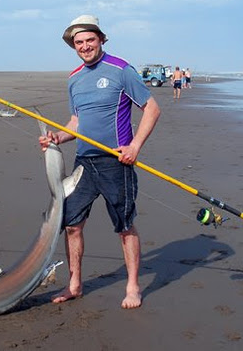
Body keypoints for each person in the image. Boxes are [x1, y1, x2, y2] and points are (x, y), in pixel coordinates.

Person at [39, 15, 160, 309]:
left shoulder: (121, 70)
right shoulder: (74, 78)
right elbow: (77, 121)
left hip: (116, 162)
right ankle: (74, 285)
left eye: (90, 40)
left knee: (124, 226)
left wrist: (135, 146)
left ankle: (133, 287)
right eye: (78, 42)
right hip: (84, 163)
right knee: (72, 224)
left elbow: (152, 108)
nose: (84, 46)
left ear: (101, 39)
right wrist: (58, 137)